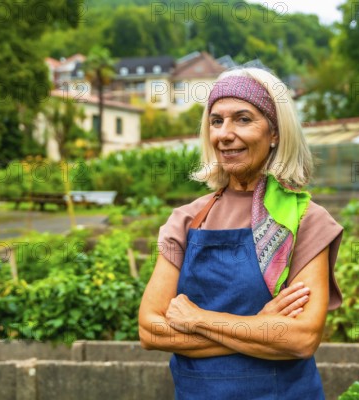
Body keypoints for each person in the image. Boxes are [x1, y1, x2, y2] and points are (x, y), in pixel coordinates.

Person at [138, 67, 343, 399]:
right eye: (216, 121)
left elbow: (301, 338)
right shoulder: (187, 220)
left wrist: (200, 319)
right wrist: (259, 327)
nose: (224, 134)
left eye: (243, 119)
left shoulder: (305, 220)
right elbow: (151, 330)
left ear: (275, 133)